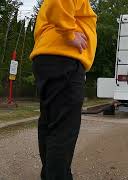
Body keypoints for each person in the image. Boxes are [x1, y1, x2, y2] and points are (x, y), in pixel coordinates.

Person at [30, 0, 97, 179]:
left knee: (51, 124)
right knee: (63, 129)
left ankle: (54, 174)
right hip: (64, 57)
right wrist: (69, 33)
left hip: (48, 57)